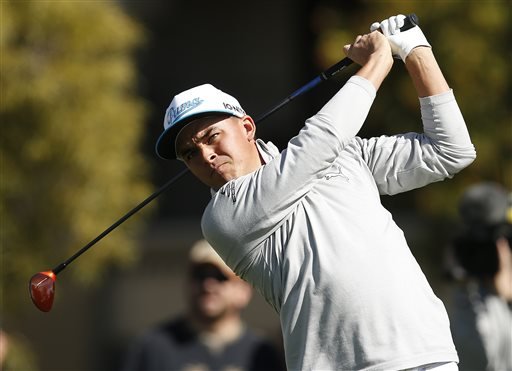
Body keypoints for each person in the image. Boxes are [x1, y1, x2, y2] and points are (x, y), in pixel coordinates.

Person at [155, 14, 476, 370]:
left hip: (425, 353)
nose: (205, 155)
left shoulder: (344, 154)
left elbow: (449, 151)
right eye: (189, 153)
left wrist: (414, 48)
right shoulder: (223, 218)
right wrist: (379, 62)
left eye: (211, 136)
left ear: (247, 126)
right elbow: (317, 144)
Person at [122, 239, 284, 371]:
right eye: (200, 276)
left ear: (244, 290)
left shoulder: (262, 353)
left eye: (220, 277)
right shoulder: (153, 347)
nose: (208, 285)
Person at [448, 182, 512, 371]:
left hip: (472, 312)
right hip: (488, 311)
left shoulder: (462, 241)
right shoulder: (495, 242)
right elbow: (503, 287)